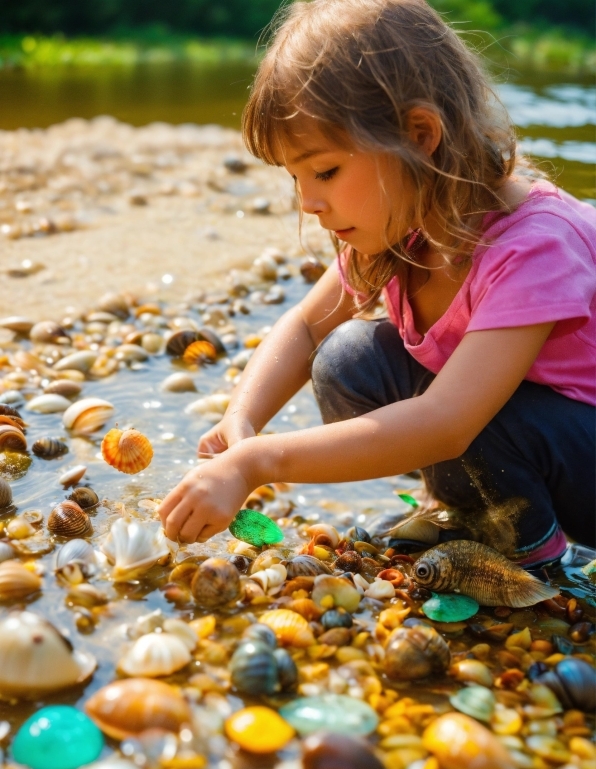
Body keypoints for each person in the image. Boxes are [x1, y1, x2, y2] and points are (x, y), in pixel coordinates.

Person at [159, 0, 596, 565]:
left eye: (325, 172)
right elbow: (304, 327)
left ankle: (532, 549)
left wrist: (258, 462)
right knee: (348, 360)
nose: (309, 202)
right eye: (296, 177)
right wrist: (242, 422)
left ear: (419, 136)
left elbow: (446, 424)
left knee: (477, 418)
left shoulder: (535, 247)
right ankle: (467, 510)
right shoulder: (405, 220)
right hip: (510, 433)